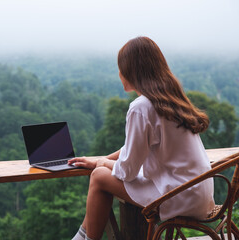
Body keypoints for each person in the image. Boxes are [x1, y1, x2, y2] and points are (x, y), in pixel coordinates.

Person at [68, 36, 215, 240]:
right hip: (198, 194)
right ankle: (83, 237)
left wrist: (101, 164)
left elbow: (127, 171)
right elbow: (134, 147)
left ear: (129, 71)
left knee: (99, 176)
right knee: (102, 170)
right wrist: (103, 159)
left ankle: (85, 237)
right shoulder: (170, 98)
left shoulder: (141, 107)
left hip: (177, 196)